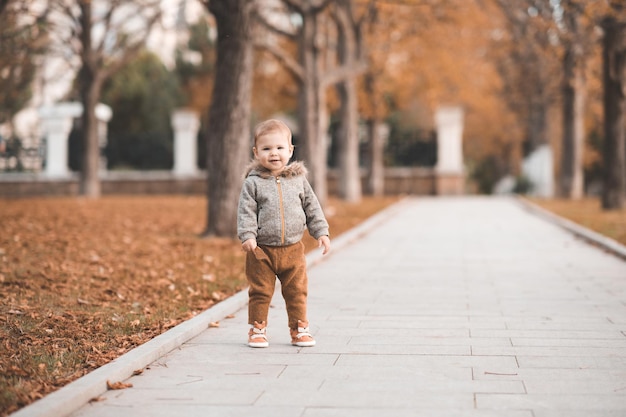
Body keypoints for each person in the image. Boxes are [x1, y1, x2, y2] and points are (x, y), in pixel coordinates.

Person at [237, 119, 331, 348]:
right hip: (262, 251)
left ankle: (299, 329)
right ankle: (257, 328)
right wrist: (247, 235)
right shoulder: (253, 183)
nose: (274, 153)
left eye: (280, 148)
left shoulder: (298, 180)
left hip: (293, 250)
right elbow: (246, 211)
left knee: (296, 291)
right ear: (256, 152)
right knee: (260, 291)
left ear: (290, 150)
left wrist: (321, 232)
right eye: (266, 149)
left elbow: (312, 207)